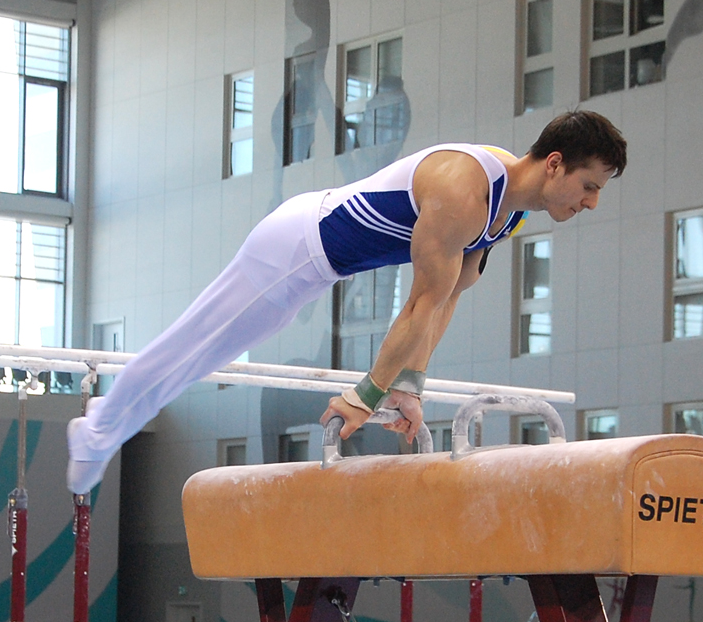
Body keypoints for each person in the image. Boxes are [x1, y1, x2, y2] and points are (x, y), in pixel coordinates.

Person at [67, 110, 626, 494]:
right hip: (294, 246)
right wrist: (365, 395)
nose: (592, 203)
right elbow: (416, 306)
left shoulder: (509, 212)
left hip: (316, 269)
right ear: (554, 163)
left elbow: (446, 300)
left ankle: (104, 422)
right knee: (191, 350)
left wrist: (409, 386)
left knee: (203, 359)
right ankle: (96, 433)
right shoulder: (465, 190)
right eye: (590, 185)